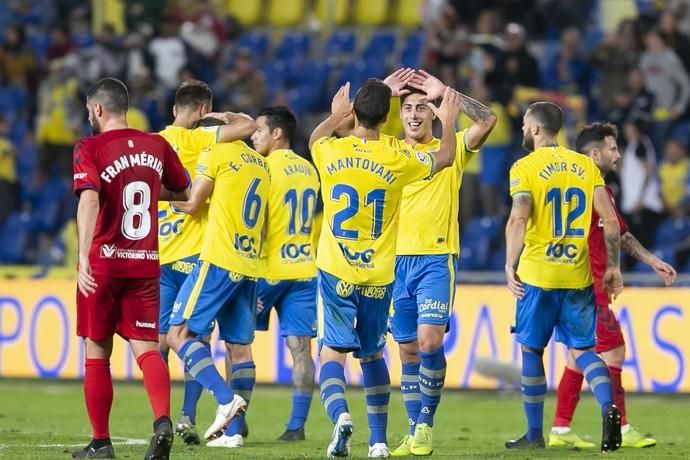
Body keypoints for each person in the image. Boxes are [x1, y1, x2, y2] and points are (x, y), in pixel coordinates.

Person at [309, 79, 462, 458]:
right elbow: (444, 158)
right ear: (389, 117)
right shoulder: (398, 159)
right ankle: (378, 442)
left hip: (336, 271)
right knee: (373, 355)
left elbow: (314, 137)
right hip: (380, 275)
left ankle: (342, 416)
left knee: (331, 355)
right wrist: (449, 121)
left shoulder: (330, 150)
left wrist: (336, 115)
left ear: (354, 112)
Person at [72, 77, 190, 460]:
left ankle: (101, 442)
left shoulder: (89, 147)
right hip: (144, 265)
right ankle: (162, 421)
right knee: (147, 349)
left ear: (98, 110)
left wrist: (83, 255)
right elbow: (184, 191)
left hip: (104, 264)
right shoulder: (157, 145)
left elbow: (89, 200)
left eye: (90, 110)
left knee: (97, 350)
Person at [385, 70, 497, 457]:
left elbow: (488, 120)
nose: (414, 114)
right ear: (399, 116)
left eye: (422, 107)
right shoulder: (389, 151)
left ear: (433, 113)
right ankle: (413, 429)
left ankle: (426, 426)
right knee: (407, 351)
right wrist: (384, 90)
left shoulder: (453, 145)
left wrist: (446, 93)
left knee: (430, 341)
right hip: (393, 263)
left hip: (434, 259)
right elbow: (347, 131)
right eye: (408, 108)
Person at [504, 101, 623, 452]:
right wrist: (614, 267)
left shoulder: (524, 167)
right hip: (577, 276)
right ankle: (609, 406)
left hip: (538, 276)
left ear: (536, 129)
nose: (524, 129)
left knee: (531, 349)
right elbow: (611, 221)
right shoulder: (586, 166)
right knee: (584, 350)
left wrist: (510, 263)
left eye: (526, 124)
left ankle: (535, 434)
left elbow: (519, 218)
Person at [549, 122, 676, 449]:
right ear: (594, 153)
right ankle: (623, 426)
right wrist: (614, 268)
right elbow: (611, 232)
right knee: (614, 352)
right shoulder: (595, 190)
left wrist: (651, 260)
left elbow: (620, 233)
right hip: (589, 286)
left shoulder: (586, 187)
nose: (618, 155)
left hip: (578, 285)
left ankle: (561, 430)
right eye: (612, 148)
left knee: (577, 358)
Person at [156, 79, 257, 444]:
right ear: (202, 112)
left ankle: (168, 418)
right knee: (196, 336)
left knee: (163, 342)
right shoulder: (202, 141)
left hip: (162, 253)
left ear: (172, 110)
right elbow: (249, 126)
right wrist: (221, 118)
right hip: (197, 249)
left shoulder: (153, 142)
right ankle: (190, 415)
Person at [250, 106, 320, 442]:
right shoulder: (309, 170)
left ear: (278, 133)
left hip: (267, 268)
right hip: (304, 268)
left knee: (236, 341)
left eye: (259, 130)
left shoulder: (261, 168)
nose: (253, 136)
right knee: (300, 349)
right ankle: (296, 427)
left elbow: (259, 222)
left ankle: (234, 423)